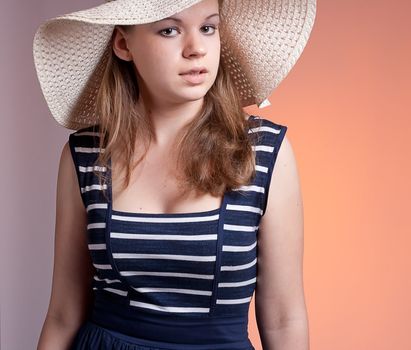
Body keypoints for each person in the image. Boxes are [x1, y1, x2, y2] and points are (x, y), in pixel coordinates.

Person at [33, 0, 316, 348]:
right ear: (123, 44)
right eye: (170, 30)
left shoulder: (263, 152)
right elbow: (63, 313)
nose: (196, 49)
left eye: (208, 28)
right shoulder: (88, 154)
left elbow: (284, 318)